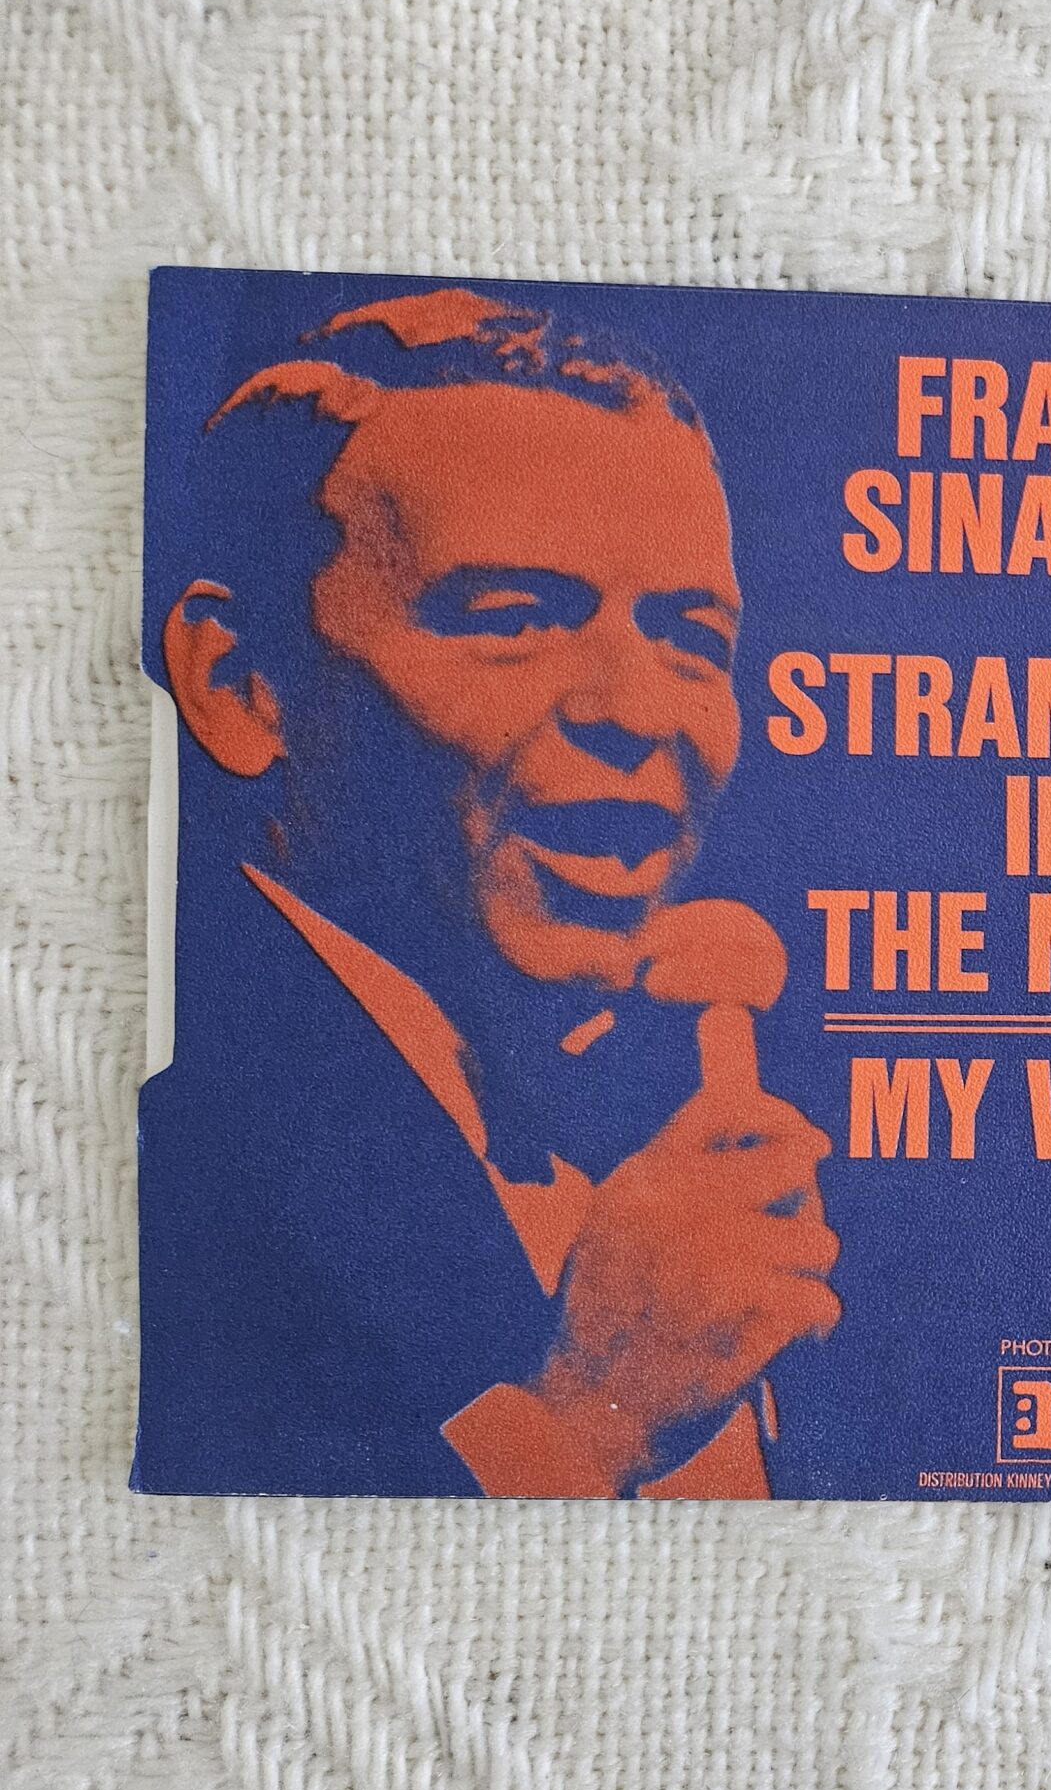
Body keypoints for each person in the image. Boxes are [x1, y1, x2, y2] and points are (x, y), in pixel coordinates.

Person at [135, 287, 840, 1497]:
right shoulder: (178, 1153)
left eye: (692, 640)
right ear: (242, 683)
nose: (637, 710)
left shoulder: (692, 1106)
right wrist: (591, 1414)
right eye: (514, 618)